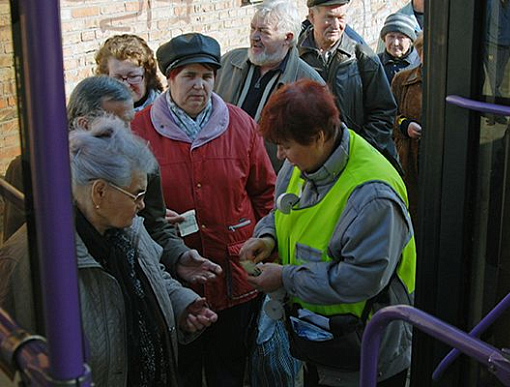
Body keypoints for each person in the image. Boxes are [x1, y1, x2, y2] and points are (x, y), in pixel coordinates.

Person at [0, 116, 218, 386]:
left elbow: (152, 276)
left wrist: (181, 304)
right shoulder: (30, 261)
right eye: (136, 195)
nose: (141, 206)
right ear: (99, 192)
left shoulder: (129, 230)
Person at [239, 79, 416, 387]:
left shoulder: (372, 196)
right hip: (322, 341)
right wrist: (268, 237)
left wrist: (284, 278)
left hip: (366, 356)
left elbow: (360, 279)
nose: (279, 155)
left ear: (319, 137)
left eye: (286, 145)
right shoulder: (305, 161)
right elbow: (282, 212)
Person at [131, 33, 276, 387]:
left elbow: (265, 194)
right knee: (183, 371)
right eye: (189, 76)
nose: (200, 85)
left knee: (230, 368)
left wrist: (265, 245)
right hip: (176, 276)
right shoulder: (139, 131)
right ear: (170, 78)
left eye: (207, 76)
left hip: (237, 274)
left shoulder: (241, 125)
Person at [2, 76, 134, 242]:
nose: (129, 134)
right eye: (120, 125)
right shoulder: (29, 168)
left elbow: (152, 224)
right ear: (85, 124)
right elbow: (17, 246)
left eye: (130, 123)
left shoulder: (130, 160)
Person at [215, 0, 324, 172]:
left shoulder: (308, 84)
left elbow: (316, 147)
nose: (254, 37)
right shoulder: (228, 62)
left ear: (287, 38)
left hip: (271, 183)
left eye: (264, 32)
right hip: (221, 172)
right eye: (253, 28)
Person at [299, 0, 402, 174]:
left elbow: (384, 113)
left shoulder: (362, 58)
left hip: (358, 163)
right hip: (311, 163)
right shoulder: (296, 58)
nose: (336, 25)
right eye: (328, 18)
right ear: (311, 17)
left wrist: (355, 151)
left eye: (341, 18)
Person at [391, 32, 424, 225]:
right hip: (409, 160)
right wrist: (405, 126)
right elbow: (386, 117)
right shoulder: (402, 80)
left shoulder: (455, 83)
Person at [95, 34, 163, 112]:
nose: (125, 85)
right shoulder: (95, 115)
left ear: (147, 76)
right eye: (117, 78)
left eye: (133, 76)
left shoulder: (166, 112)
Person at [378, 13, 421, 83]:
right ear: (384, 39)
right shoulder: (375, 64)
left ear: (410, 41)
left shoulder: (421, 63)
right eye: (391, 36)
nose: (395, 43)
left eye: (401, 37)